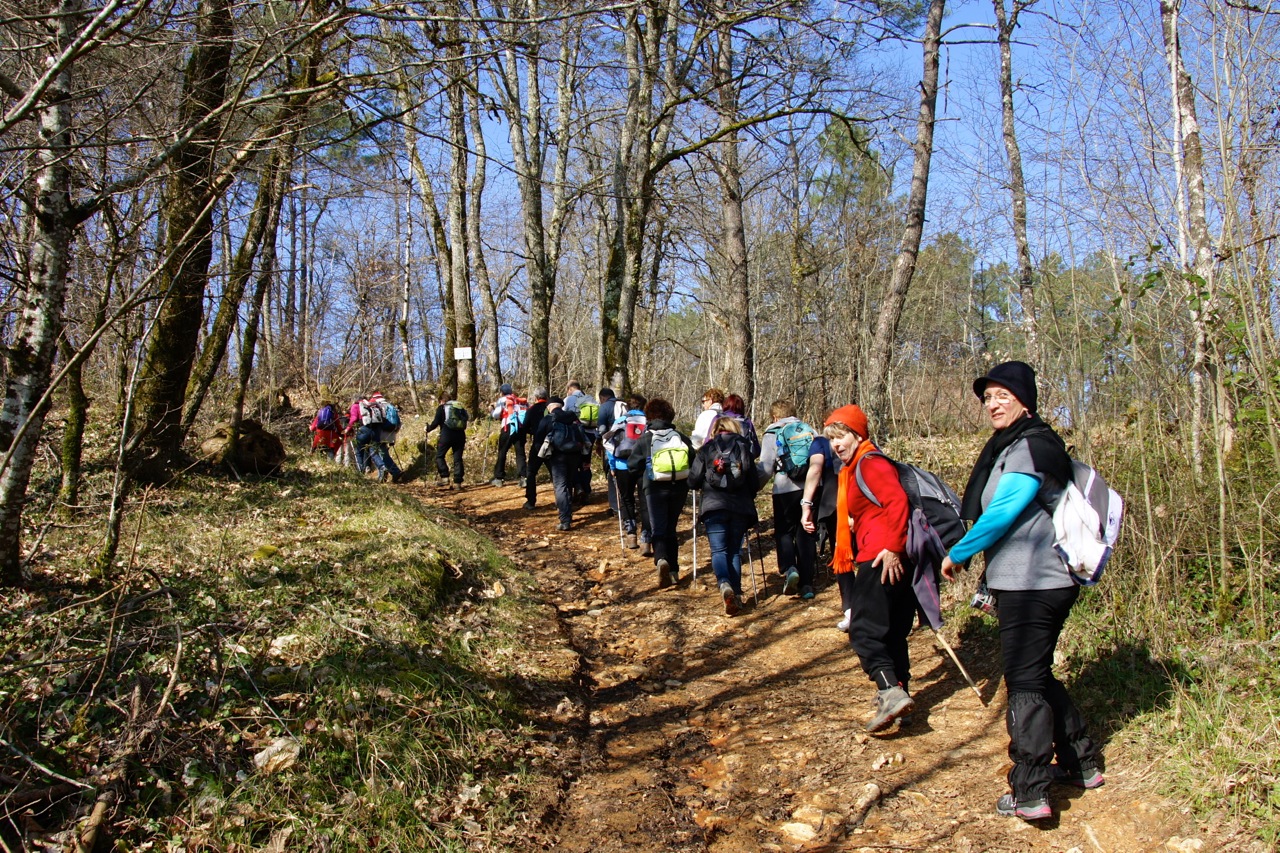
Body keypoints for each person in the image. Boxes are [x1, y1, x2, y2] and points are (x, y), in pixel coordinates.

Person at [940, 361, 1101, 822]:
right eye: (987, 397)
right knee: (1038, 673)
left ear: (1024, 399)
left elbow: (1003, 512)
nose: (991, 403)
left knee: (1025, 682)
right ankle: (1082, 762)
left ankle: (1030, 788)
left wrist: (960, 552)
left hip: (1036, 581)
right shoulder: (1016, 444)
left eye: (1001, 396)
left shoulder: (1031, 447)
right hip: (1029, 580)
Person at [824, 404, 917, 733]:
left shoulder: (870, 462)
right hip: (888, 553)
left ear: (858, 434)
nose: (836, 444)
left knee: (863, 631)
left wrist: (892, 546)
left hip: (880, 555)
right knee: (891, 632)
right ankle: (902, 698)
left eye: (842, 436)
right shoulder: (857, 465)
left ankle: (889, 692)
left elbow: (897, 503)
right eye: (832, 439)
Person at [688, 416, 760, 616]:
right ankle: (736, 594)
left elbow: (693, 480)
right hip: (740, 506)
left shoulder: (706, 449)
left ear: (715, 430)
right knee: (734, 551)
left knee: (718, 550)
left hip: (714, 506)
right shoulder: (744, 447)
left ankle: (724, 583)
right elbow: (753, 482)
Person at [625, 397, 693, 589]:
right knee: (671, 527)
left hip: (654, 487)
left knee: (658, 528)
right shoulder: (680, 437)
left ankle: (661, 559)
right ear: (670, 415)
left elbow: (632, 465)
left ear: (649, 416)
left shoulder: (645, 439)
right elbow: (693, 459)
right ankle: (674, 571)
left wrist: (643, 474)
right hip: (679, 487)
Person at [759, 400, 817, 599]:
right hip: (811, 487)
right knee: (806, 531)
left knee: (784, 531)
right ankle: (807, 584)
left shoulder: (772, 432)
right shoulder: (808, 430)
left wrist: (753, 488)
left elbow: (766, 467)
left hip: (784, 489)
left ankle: (790, 568)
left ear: (775, 416)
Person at [800, 428, 846, 627]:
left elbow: (816, 468)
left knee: (841, 554)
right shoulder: (864, 444)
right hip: (857, 501)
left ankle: (850, 608)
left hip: (834, 500)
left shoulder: (820, 442)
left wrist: (806, 504)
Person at [531, 397, 588, 531]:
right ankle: (567, 512)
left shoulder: (548, 419)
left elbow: (538, 441)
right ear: (561, 406)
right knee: (568, 483)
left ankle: (565, 519)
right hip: (575, 455)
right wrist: (584, 458)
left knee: (560, 485)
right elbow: (582, 436)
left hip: (557, 456)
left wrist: (543, 456)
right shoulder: (573, 418)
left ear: (549, 407)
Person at [604, 394, 651, 552]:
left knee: (626, 499)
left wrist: (612, 465)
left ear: (627, 407)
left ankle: (631, 534)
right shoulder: (648, 423)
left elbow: (608, 444)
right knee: (645, 502)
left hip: (622, 465)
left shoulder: (620, 421)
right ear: (644, 406)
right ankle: (646, 538)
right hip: (644, 467)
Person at [423, 393, 468, 488]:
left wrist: (428, 428)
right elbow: (466, 418)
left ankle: (445, 477)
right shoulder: (459, 407)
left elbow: (435, 422)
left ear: (442, 401)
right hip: (460, 435)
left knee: (439, 456)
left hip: (446, 435)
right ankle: (457, 483)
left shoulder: (442, 408)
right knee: (458, 459)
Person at [356, 392, 402, 483]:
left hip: (380, 433)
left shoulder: (377, 405)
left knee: (375, 451)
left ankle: (390, 471)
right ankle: (393, 471)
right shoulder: (388, 405)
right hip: (390, 433)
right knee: (382, 452)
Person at [489, 383, 527, 486]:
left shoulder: (502, 400)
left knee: (502, 451)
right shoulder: (518, 400)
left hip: (508, 426)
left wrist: (491, 410)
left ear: (501, 392)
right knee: (520, 452)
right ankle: (524, 477)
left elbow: (496, 415)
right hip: (520, 427)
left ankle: (499, 478)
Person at [596, 387, 626, 513]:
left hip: (612, 445)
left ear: (603, 397)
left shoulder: (604, 407)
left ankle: (615, 506)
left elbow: (602, 429)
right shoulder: (625, 405)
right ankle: (626, 503)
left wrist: (598, 442)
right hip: (630, 444)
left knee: (612, 472)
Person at [520, 387, 551, 509]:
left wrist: (532, 432)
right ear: (546, 397)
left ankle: (531, 501)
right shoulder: (550, 409)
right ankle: (562, 501)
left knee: (531, 472)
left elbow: (524, 427)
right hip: (551, 444)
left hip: (538, 445)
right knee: (556, 474)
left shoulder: (531, 410)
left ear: (536, 398)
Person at [722, 393, 761, 458]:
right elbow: (756, 449)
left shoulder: (718, 419)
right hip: (742, 461)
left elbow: (708, 442)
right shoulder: (746, 421)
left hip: (720, 462)